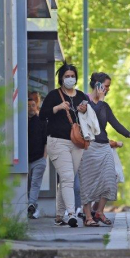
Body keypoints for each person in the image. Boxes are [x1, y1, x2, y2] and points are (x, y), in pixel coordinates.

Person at [78, 72, 130, 227]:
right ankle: (88, 217)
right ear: (98, 85)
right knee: (88, 181)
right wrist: (101, 99)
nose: (108, 89)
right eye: (106, 86)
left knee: (109, 178)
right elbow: (94, 120)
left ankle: (99, 211)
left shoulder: (105, 106)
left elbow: (114, 123)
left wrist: (129, 134)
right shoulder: (84, 103)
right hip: (89, 147)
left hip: (103, 146)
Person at [39, 63, 88, 227]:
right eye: (66, 76)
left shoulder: (81, 96)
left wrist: (84, 111)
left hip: (77, 142)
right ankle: (72, 214)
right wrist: (58, 107)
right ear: (61, 78)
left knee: (67, 179)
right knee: (67, 178)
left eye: (72, 76)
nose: (70, 78)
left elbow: (90, 120)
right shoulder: (54, 95)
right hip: (57, 142)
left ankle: (59, 215)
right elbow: (42, 115)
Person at [27, 98, 47, 219]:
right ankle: (32, 207)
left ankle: (31, 204)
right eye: (28, 105)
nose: (30, 108)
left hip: (39, 159)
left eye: (33, 105)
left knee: (35, 183)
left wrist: (44, 157)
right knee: (27, 184)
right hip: (25, 160)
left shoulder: (41, 121)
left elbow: (46, 140)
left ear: (37, 107)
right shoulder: (21, 123)